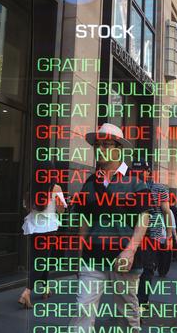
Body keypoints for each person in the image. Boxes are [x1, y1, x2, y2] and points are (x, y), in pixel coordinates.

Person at [69, 123, 153, 330]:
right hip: (93, 258)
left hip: (123, 259)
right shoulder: (89, 183)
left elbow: (144, 216)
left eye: (107, 145)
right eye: (98, 145)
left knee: (127, 314)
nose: (101, 149)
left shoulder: (136, 180)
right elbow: (84, 221)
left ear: (119, 149)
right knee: (82, 308)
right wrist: (80, 256)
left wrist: (130, 250)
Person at [18, 161, 67, 309]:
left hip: (33, 227)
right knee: (42, 261)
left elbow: (26, 207)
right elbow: (61, 211)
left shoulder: (30, 188)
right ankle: (27, 292)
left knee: (40, 258)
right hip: (48, 227)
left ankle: (45, 289)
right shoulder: (55, 188)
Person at [133, 160, 170, 305]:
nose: (138, 174)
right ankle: (133, 300)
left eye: (142, 170)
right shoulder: (129, 185)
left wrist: (169, 232)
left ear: (148, 171)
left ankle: (142, 301)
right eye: (135, 171)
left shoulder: (159, 188)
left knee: (147, 267)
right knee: (132, 268)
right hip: (133, 230)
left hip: (152, 233)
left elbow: (166, 211)